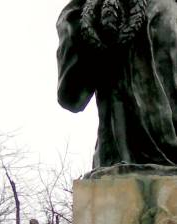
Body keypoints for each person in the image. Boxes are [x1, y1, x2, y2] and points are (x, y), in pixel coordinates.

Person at [57, 0, 177, 168]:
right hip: (116, 164)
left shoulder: (169, 11)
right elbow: (71, 97)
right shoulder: (86, 13)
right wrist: (80, 26)